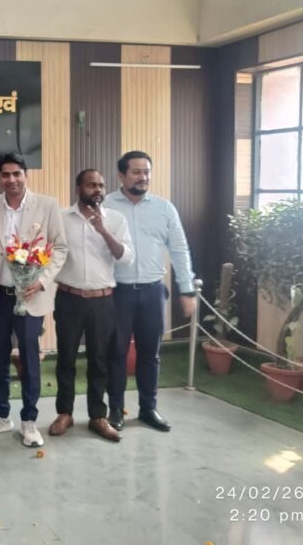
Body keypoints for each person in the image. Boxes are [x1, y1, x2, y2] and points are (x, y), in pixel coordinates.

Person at [0, 152, 68, 448]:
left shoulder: (47, 205)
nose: (11, 180)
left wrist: (42, 280)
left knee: (28, 359)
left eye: (16, 174)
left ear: (25, 174)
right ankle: (1, 415)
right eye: (5, 175)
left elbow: (60, 248)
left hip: (31, 295)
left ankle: (29, 420)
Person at [104, 151, 197, 433]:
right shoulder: (106, 206)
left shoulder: (164, 208)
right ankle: (115, 410)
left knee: (150, 354)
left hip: (153, 292)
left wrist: (187, 289)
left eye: (147, 172)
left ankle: (148, 409)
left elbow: (179, 249)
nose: (143, 177)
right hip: (117, 292)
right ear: (121, 175)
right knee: (116, 353)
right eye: (136, 172)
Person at [49, 169, 133, 443]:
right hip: (69, 298)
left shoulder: (116, 219)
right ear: (78, 188)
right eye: (91, 185)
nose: (97, 190)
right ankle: (65, 413)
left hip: (102, 301)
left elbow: (125, 258)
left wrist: (103, 230)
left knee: (99, 360)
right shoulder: (61, 218)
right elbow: (50, 253)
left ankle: (98, 416)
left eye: (101, 185)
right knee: (66, 359)